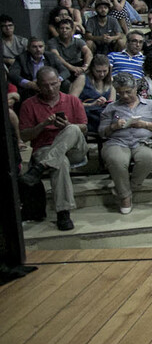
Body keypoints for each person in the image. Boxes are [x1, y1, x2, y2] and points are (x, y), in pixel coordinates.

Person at [18, 67, 87, 231]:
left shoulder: (72, 100)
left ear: (59, 82)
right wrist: (42, 125)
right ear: (38, 86)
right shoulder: (28, 104)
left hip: (75, 148)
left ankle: (40, 167)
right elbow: (25, 136)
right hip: (45, 147)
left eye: (53, 84)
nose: (50, 89)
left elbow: (83, 127)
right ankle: (63, 213)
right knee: (60, 161)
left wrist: (68, 125)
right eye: (45, 85)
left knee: (73, 129)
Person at [98, 73, 152, 215]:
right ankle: (125, 197)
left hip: (143, 141)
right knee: (117, 160)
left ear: (135, 88)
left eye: (128, 92)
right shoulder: (111, 108)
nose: (125, 96)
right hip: (117, 141)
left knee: (148, 158)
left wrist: (144, 124)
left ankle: (128, 188)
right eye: (121, 93)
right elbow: (101, 132)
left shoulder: (150, 105)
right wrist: (114, 127)